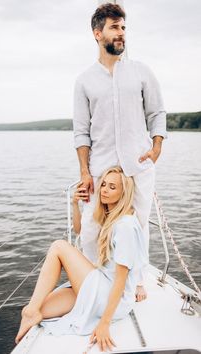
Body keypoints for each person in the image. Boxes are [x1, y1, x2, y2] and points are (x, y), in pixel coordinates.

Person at [73, 3, 167, 301]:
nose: (121, 33)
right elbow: (81, 132)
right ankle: (92, 280)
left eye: (123, 27)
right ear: (97, 33)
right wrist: (85, 173)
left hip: (138, 165)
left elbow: (157, 112)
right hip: (101, 168)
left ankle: (136, 281)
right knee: (90, 227)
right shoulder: (84, 80)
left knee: (138, 223)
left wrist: (156, 148)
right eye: (115, 27)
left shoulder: (141, 71)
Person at [15, 166, 148, 352]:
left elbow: (121, 279)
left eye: (112, 187)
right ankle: (30, 312)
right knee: (39, 310)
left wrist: (104, 323)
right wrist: (74, 205)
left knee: (58, 246)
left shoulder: (125, 226)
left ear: (123, 193)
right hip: (99, 288)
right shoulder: (113, 218)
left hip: (108, 296)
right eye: (103, 185)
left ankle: (30, 313)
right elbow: (79, 230)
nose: (104, 190)